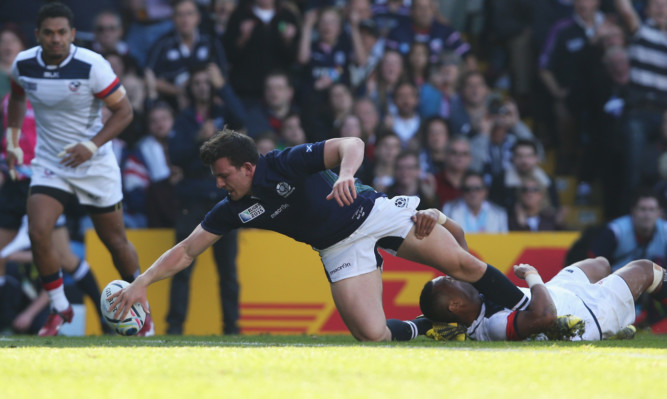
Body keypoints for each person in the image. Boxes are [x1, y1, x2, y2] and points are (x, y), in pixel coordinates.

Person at [109, 129, 531, 342]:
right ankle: (431, 329)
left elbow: (353, 142)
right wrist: (141, 282)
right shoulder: (233, 208)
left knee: (462, 262)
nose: (220, 185)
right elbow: (186, 251)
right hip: (337, 248)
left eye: (224, 176)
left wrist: (347, 176)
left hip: (373, 213)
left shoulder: (283, 163)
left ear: (247, 166)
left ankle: (529, 310)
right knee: (372, 335)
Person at [6, 2, 153, 336]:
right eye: (49, 32)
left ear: (72, 34)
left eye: (62, 32)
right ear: (37, 35)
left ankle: (142, 310)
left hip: (95, 163)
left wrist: (91, 145)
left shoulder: (92, 66)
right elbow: (17, 97)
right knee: (38, 231)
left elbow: (125, 112)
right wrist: (13, 139)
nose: (56, 38)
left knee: (115, 242)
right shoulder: (23, 65)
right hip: (51, 163)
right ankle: (59, 309)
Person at [419, 256, 667, 341]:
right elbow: (546, 316)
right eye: (450, 282)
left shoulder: (477, 305)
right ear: (455, 305)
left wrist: (439, 217)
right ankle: (612, 325)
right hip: (587, 313)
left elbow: (459, 240)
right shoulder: (494, 324)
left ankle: (619, 324)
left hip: (557, 291)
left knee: (601, 264)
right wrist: (532, 275)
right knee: (647, 270)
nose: (456, 278)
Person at [442, 171, 508, 234]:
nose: (473, 193)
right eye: (468, 189)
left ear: (485, 191)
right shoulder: (449, 210)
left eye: (477, 189)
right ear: (462, 192)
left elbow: (504, 241)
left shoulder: (499, 214)